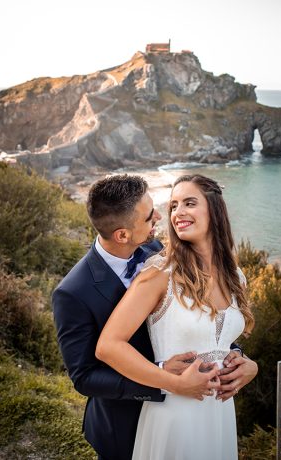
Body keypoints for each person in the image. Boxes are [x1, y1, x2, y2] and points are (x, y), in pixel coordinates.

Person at [52, 174, 256, 460]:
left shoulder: (158, 250)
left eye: (183, 204)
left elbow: (200, 325)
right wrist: (167, 380)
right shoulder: (74, 292)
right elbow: (85, 376)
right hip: (126, 418)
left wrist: (241, 361)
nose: (164, 216)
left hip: (211, 410)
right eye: (151, 217)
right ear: (123, 234)